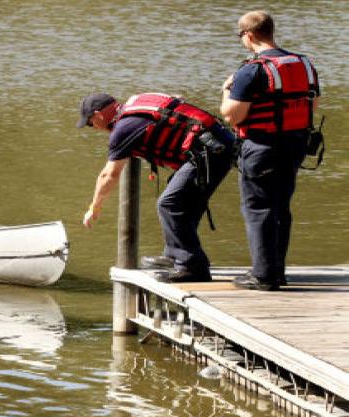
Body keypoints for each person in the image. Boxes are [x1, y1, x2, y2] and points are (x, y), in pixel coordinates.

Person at [78, 92, 236, 283]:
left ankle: (192, 267)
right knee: (181, 200)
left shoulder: (123, 129)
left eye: (90, 122)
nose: (92, 127)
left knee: (170, 204)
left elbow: (109, 175)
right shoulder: (134, 104)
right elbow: (176, 99)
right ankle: (174, 255)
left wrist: (94, 207)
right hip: (216, 145)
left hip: (211, 152)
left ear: (98, 114)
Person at [221, 10, 321, 291]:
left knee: (258, 208)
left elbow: (233, 116)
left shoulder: (251, 70)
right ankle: (277, 271)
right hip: (295, 144)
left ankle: (263, 276)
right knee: (280, 207)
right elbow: (312, 105)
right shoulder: (303, 63)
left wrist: (226, 90)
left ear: (248, 35)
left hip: (261, 146)